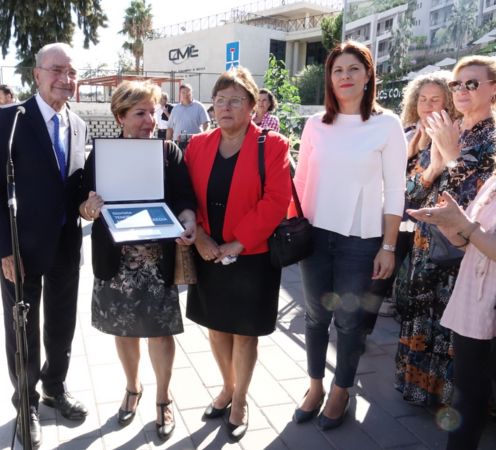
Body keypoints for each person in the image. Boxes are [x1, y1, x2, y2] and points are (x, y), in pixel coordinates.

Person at [291, 41, 407, 430]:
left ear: (368, 74)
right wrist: (292, 229)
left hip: (362, 240)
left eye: (353, 68)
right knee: (314, 316)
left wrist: (388, 246)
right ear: (329, 77)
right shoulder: (314, 125)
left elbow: (395, 191)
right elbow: (301, 179)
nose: (344, 76)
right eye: (337, 70)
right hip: (316, 237)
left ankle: (342, 389)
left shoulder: (387, 125)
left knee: (350, 320)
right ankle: (314, 386)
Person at [0, 43, 88, 448]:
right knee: (22, 329)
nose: (66, 78)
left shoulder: (78, 125)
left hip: (66, 245)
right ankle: (25, 404)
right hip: (20, 249)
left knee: (62, 324)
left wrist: (89, 203)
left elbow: (74, 187)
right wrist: (5, 249)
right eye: (57, 69)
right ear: (37, 74)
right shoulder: (10, 119)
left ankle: (54, 388)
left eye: (72, 71)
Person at [79, 80, 197, 440]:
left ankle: (163, 398)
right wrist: (88, 209)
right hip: (116, 264)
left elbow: (185, 199)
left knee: (160, 335)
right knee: (123, 331)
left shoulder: (169, 152)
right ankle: (133, 388)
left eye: (155, 112)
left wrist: (189, 219)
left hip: (156, 263)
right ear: (121, 117)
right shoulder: (101, 154)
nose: (150, 120)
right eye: (140, 113)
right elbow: (84, 206)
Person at [184, 67, 291, 442]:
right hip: (208, 251)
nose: (225, 107)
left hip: (253, 256)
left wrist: (239, 242)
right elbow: (187, 197)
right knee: (216, 329)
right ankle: (227, 387)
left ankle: (241, 401)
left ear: (251, 106)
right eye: (219, 100)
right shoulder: (197, 145)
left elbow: (277, 200)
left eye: (235, 101)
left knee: (245, 335)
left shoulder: (272, 145)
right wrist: (199, 237)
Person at [390, 71, 465, 407]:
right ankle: (418, 388)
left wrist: (437, 164)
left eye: (436, 99)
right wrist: (424, 162)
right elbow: (409, 194)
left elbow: (466, 194)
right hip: (423, 242)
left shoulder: (462, 134)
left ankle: (446, 397)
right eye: (422, 99)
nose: (427, 106)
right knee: (420, 314)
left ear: (449, 102)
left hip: (454, 245)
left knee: (446, 321)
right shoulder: (418, 138)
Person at [407, 183, 496, 450]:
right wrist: (450, 225)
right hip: (474, 304)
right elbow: (468, 242)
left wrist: (465, 226)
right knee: (468, 397)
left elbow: (472, 231)